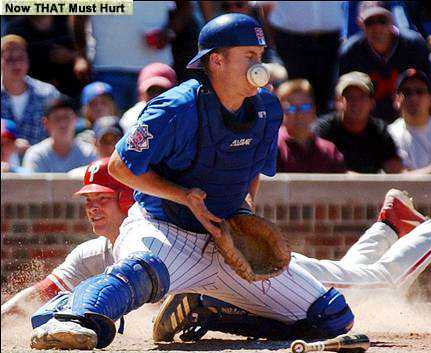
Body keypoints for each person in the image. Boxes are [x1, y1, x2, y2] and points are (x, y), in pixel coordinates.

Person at [29, 14, 354, 350]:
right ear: (217, 60)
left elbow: (253, 166)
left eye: (260, 55)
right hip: (166, 229)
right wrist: (183, 195)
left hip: (223, 236)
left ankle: (208, 311)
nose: (261, 65)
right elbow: (119, 167)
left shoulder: (267, 108)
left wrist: (244, 208)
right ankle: (68, 317)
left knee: (331, 317)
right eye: (250, 56)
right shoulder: (176, 107)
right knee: (142, 271)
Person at [152, 182, 431, 341]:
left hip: (281, 278)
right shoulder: (150, 237)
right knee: (354, 276)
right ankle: (389, 224)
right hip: (274, 277)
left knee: (381, 279)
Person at [1, 159, 133, 322]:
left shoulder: (155, 243)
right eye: (88, 200)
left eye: (102, 198)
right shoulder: (89, 254)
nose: (92, 208)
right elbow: (43, 292)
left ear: (126, 199)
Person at [338, 1, 431, 123]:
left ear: (392, 21)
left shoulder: (414, 45)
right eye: (369, 22)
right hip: (369, 126)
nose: (377, 28)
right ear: (360, 24)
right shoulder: (350, 53)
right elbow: (340, 103)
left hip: (410, 123)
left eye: (382, 20)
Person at [260, 1, 344, 114]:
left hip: (330, 42)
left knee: (328, 102)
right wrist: (274, 42)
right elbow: (265, 6)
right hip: (291, 41)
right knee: (293, 102)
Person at [314, 71, 404, 174]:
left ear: (372, 103)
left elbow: (396, 173)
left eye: (362, 97)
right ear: (338, 102)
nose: (355, 103)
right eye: (349, 97)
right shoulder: (323, 130)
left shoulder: (379, 131)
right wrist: (348, 177)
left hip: (371, 189)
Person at [388, 68, 431, 173]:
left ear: (430, 98)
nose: (414, 97)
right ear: (397, 100)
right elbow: (400, 178)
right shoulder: (390, 135)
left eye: (420, 91)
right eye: (407, 92)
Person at [1, 34, 61, 146]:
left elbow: (60, 130)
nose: (16, 64)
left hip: (41, 161)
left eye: (21, 58)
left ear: (28, 60)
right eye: (9, 59)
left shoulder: (48, 93)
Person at [275, 79, 346, 173]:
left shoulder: (329, 151)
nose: (299, 114)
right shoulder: (271, 148)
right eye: (291, 108)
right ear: (281, 112)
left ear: (314, 110)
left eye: (305, 107)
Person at [22, 97, 97, 173]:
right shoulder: (36, 154)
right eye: (57, 118)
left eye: (66, 117)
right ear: (46, 123)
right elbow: (32, 184)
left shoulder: (89, 153)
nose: (62, 123)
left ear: (75, 119)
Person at [120, 63, 177, 133]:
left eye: (162, 91)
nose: (157, 96)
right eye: (152, 91)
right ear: (141, 94)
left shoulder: (183, 112)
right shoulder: (131, 117)